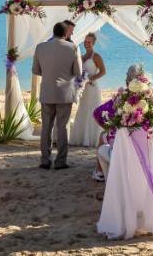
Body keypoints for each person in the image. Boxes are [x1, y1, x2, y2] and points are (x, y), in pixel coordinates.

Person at [32, 21, 82, 170]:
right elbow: (78, 72)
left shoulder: (40, 47)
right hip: (65, 94)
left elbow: (36, 70)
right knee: (63, 128)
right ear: (66, 33)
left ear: (52, 33)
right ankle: (60, 161)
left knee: (46, 127)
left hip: (47, 92)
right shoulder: (72, 47)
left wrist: (48, 73)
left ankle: (45, 160)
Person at [69, 32, 106, 147]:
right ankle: (81, 138)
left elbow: (103, 71)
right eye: (85, 41)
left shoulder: (96, 56)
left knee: (92, 111)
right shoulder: (82, 57)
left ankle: (92, 139)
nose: (87, 44)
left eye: (89, 42)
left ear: (93, 43)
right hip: (83, 89)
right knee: (83, 110)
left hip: (93, 88)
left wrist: (91, 79)